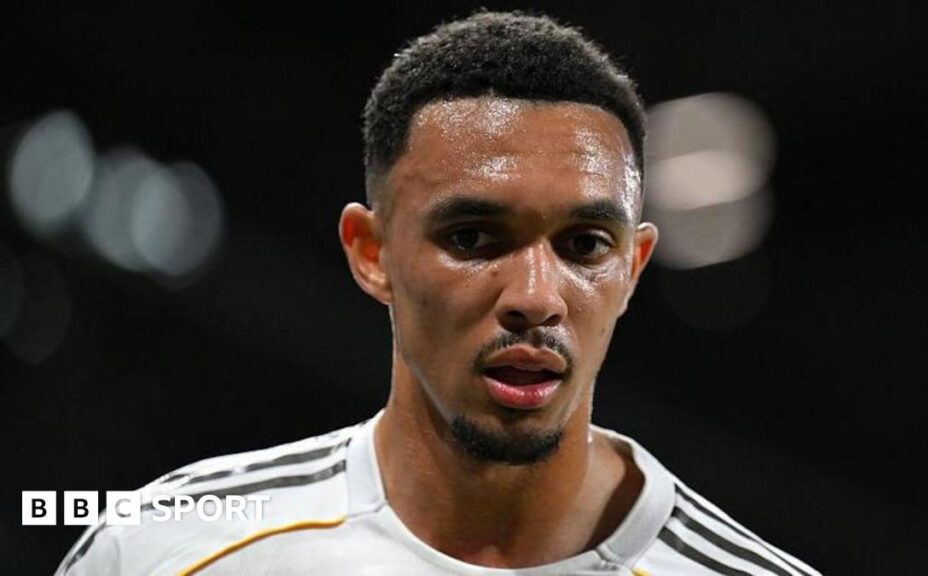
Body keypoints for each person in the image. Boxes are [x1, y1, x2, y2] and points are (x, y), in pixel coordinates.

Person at [56, 11, 820, 576]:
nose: (534, 296)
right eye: (474, 239)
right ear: (371, 252)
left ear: (633, 269)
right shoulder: (159, 549)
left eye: (585, 246)